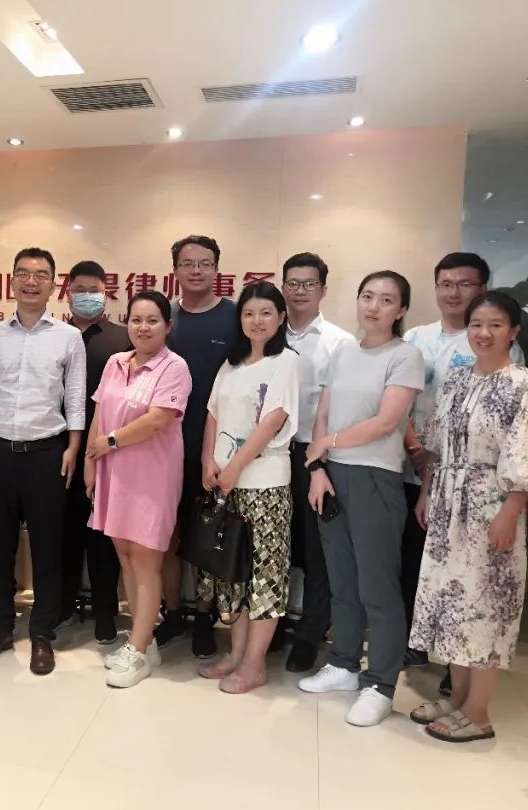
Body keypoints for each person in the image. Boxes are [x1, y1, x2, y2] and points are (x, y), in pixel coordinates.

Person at [408, 290, 528, 742]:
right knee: (453, 603)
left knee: (487, 606)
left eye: (495, 325)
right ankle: (457, 697)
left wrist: (511, 510)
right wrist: (427, 493)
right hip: (447, 505)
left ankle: (479, 712)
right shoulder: (456, 380)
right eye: (476, 325)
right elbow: (438, 446)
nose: (483, 333)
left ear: (514, 331)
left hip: (493, 505)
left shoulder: (526, 385)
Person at [299, 270, 425, 727]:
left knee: (378, 585)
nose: (374, 306)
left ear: (401, 309)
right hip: (331, 476)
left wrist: (327, 444)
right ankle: (344, 663)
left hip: (375, 477)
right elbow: (323, 413)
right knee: (342, 579)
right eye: (367, 296)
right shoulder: (343, 352)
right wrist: (317, 468)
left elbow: (387, 422)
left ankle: (382, 684)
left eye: (386, 300)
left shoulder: (405, 356)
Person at [401, 252, 521, 675]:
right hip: (414, 469)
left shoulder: (507, 362)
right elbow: (401, 399)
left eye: (465, 284)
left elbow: (511, 433)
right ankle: (419, 647)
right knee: (417, 566)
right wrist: (417, 449)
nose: (454, 292)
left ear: (482, 288)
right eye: (446, 284)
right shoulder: (415, 338)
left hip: (477, 488)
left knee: (473, 582)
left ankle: (464, 677)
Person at [0, 247, 87, 676]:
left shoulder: (68, 337)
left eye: (40, 274)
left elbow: (75, 396)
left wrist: (73, 446)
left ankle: (42, 633)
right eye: (23, 273)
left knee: (47, 547)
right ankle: (0, 626)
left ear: (54, 284)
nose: (31, 281)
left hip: (48, 453)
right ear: (12, 281)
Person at [197, 282, 300, 694]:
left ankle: (255, 665)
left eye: (266, 313)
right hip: (226, 484)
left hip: (265, 484)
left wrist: (236, 466)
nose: (257, 321)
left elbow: (272, 420)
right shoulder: (232, 365)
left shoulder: (286, 362)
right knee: (233, 573)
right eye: (249, 313)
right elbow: (212, 414)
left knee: (264, 575)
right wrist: (208, 461)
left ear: (280, 318)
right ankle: (236, 655)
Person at [85, 291, 191, 687]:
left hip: (152, 478)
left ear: (168, 326)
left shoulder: (174, 367)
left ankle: (139, 650)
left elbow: (158, 420)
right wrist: (91, 462)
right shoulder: (115, 362)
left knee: (146, 561)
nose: (143, 328)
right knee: (126, 557)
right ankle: (142, 642)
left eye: (152, 320)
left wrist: (109, 442)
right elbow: (99, 413)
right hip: (114, 474)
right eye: (136, 320)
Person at [155, 234, 238, 659]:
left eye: (205, 263)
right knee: (166, 536)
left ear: (217, 269)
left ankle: (205, 617)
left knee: (207, 537)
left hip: (215, 451)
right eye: (188, 263)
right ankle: (172, 614)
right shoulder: (164, 318)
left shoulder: (235, 317)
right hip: (163, 448)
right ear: (175, 270)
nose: (196, 271)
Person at [279, 253, 356, 673]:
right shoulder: (269, 331)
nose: (300, 291)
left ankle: (310, 635)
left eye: (309, 283)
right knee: (275, 544)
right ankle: (272, 625)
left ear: (323, 289)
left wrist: (319, 463)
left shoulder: (340, 342)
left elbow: (341, 408)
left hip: (315, 457)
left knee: (316, 551)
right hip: (270, 454)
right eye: (293, 283)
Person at [58, 260, 128, 645]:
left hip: (107, 451)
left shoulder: (123, 339)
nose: (87, 296)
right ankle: (64, 605)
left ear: (106, 292)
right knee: (63, 534)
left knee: (103, 536)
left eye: (94, 290)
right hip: (60, 451)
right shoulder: (55, 335)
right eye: (79, 290)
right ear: (67, 293)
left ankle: (105, 612)